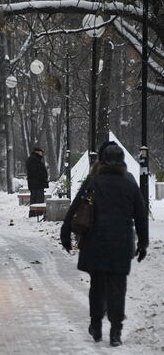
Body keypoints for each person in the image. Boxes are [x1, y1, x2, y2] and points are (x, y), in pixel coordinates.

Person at [60, 142, 149, 347]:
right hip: (120, 244)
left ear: (102, 160)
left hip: (95, 243)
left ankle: (96, 325)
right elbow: (141, 215)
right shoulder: (129, 182)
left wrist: (65, 233)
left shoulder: (94, 181)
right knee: (118, 288)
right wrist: (143, 243)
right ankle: (116, 332)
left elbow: (75, 207)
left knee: (97, 287)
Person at [26, 147, 49, 217]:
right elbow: (36, 172)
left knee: (36, 198)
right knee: (37, 199)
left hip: (36, 184)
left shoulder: (34, 159)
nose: (42, 154)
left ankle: (36, 213)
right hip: (37, 184)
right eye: (41, 152)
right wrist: (43, 178)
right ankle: (37, 213)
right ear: (37, 152)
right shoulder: (34, 160)